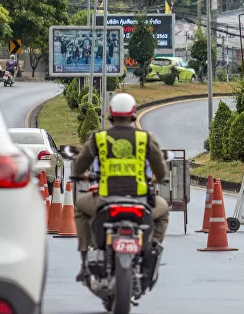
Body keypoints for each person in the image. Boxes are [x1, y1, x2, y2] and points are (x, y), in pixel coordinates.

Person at [71, 92, 170, 282]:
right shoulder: (145, 138)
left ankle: (85, 260)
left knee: (80, 208)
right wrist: (157, 178)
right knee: (163, 210)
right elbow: (160, 167)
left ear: (110, 113)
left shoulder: (99, 138)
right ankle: (152, 248)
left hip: (105, 199)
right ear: (133, 114)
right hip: (140, 200)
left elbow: (79, 165)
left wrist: (79, 175)